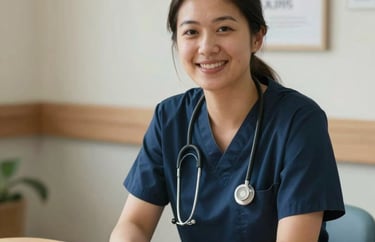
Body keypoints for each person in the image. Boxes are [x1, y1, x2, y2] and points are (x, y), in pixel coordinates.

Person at [110, 0, 345, 241]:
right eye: (191, 32)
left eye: (223, 29)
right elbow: (134, 223)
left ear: (257, 38)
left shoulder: (299, 121)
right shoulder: (169, 118)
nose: (207, 47)